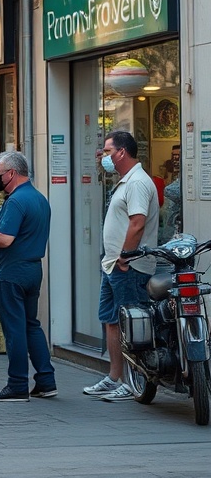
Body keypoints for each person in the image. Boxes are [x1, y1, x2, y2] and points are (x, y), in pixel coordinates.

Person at [0, 150, 57, 402]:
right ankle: (46, 380)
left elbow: (5, 238)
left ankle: (17, 384)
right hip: (32, 270)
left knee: (14, 329)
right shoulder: (39, 198)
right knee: (31, 325)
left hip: (10, 273)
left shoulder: (16, 201)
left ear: (11, 173)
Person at [82, 130, 160, 402]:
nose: (103, 156)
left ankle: (133, 381)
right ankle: (115, 377)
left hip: (129, 267)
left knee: (131, 325)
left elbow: (137, 223)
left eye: (107, 151)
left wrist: (125, 257)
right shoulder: (126, 181)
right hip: (114, 266)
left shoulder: (137, 182)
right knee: (111, 321)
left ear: (122, 152)